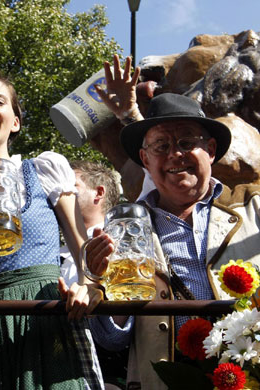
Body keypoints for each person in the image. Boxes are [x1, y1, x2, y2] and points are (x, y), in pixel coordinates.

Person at [85, 56, 260, 389]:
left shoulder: (252, 209)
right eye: (161, 146)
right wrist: (104, 289)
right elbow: (109, 340)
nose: (175, 155)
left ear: (210, 150)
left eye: (186, 143)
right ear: (145, 160)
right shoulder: (124, 233)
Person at [0, 70, 104, 390]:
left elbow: (81, 246)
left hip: (46, 317)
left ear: (14, 121)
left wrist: (89, 285)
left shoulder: (42, 168)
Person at [60, 160, 121, 286]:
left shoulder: (123, 244)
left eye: (71, 185)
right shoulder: (56, 254)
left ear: (99, 193)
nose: (60, 193)